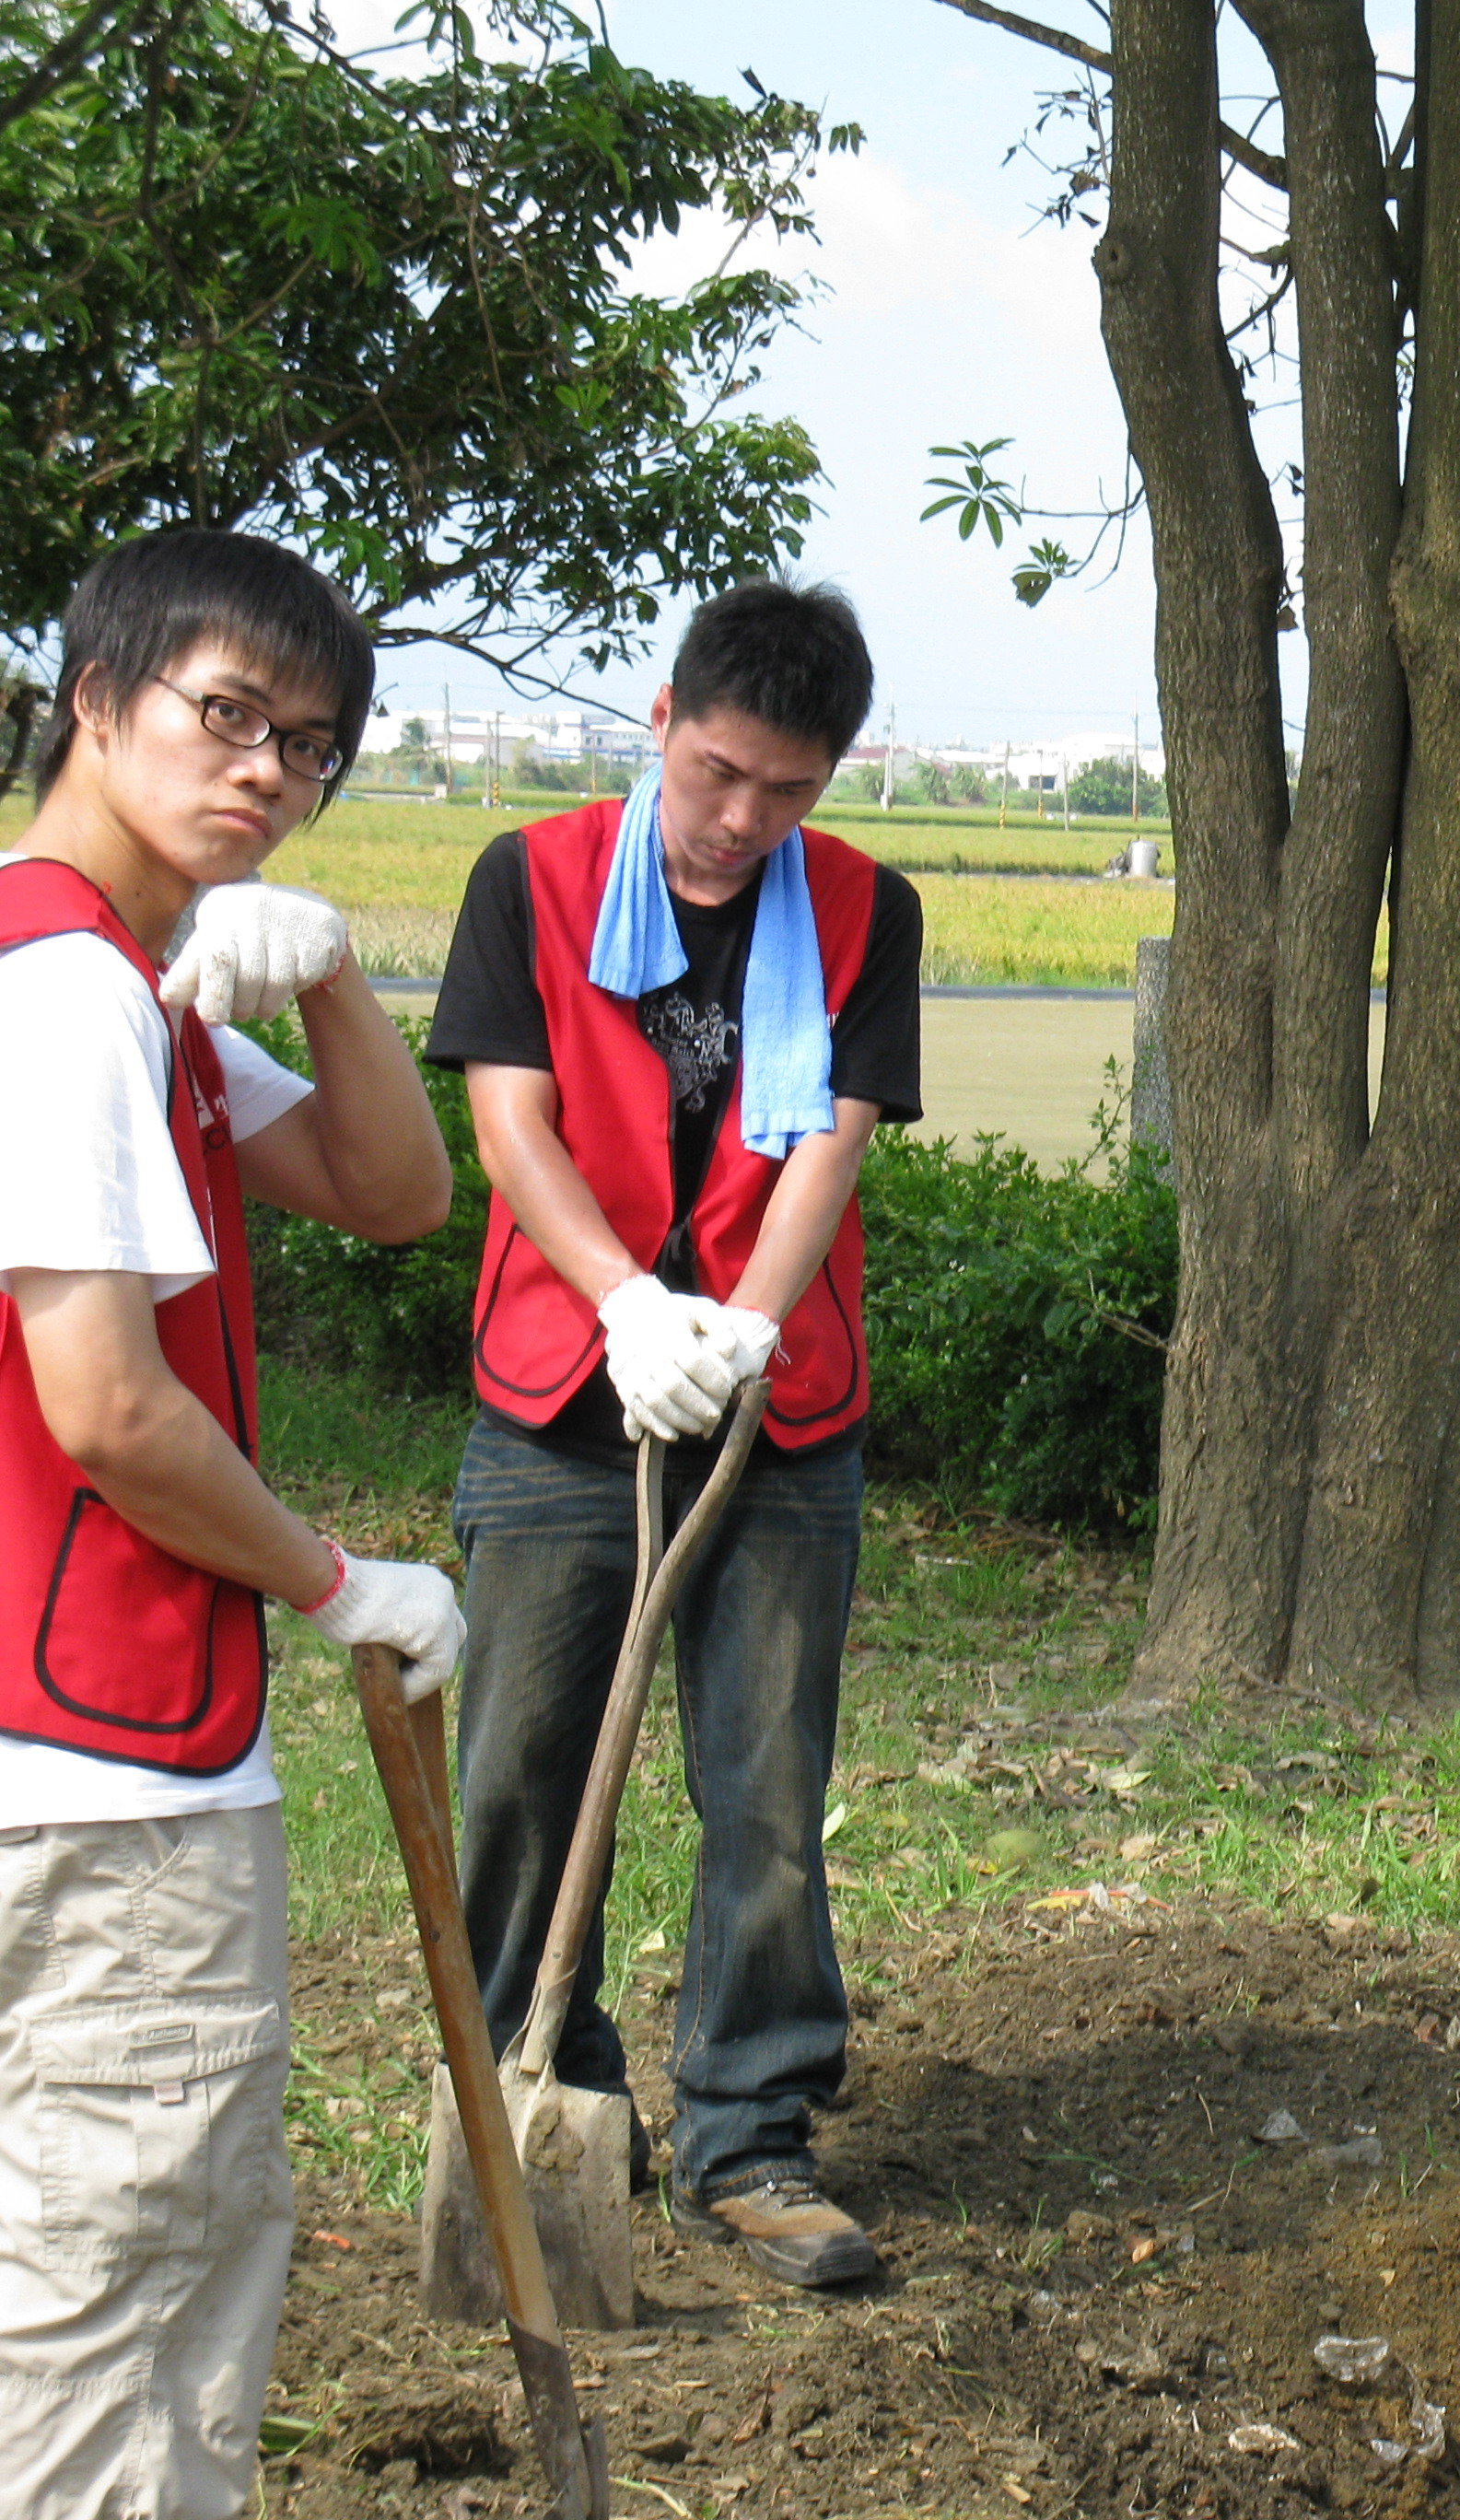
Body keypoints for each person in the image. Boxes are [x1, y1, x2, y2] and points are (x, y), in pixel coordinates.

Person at [0, 528, 463, 2514]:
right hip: (100, 1785)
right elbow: (107, 1405)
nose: (268, 769)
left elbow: (393, 1188)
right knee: (127, 2333)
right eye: (225, 715)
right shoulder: (70, 1005)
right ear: (93, 701)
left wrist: (335, 964)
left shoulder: (145, 997)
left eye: (314, 746)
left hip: (56, 1746)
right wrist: (336, 1579)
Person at [426, 581, 921, 2290]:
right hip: (565, 1384)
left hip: (781, 1409)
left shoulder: (866, 910)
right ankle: (528, 2091)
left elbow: (832, 1145)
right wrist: (633, 1307)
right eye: (717, 774)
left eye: (787, 791)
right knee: (515, 1774)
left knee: (767, 1788)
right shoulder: (534, 880)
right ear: (661, 720)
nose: (740, 823)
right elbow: (509, 1120)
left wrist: (746, 1332)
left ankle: (749, 2132)